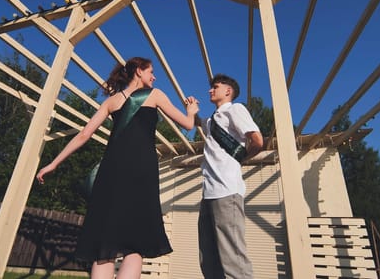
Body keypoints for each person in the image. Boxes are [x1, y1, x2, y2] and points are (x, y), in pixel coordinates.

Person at [36, 57, 199, 279]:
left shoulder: (111, 102)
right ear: (139, 72)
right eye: (151, 71)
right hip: (141, 172)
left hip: (111, 172)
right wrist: (191, 110)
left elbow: (84, 134)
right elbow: (188, 125)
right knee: (135, 244)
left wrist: (54, 163)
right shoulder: (156, 95)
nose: (154, 76)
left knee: (105, 242)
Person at [198, 74, 263, 279]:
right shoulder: (212, 120)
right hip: (208, 194)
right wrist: (190, 107)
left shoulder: (235, 109)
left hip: (227, 191)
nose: (210, 90)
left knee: (233, 259)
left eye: (215, 87)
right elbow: (193, 121)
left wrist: (242, 158)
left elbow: (257, 139)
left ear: (228, 91)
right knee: (209, 259)